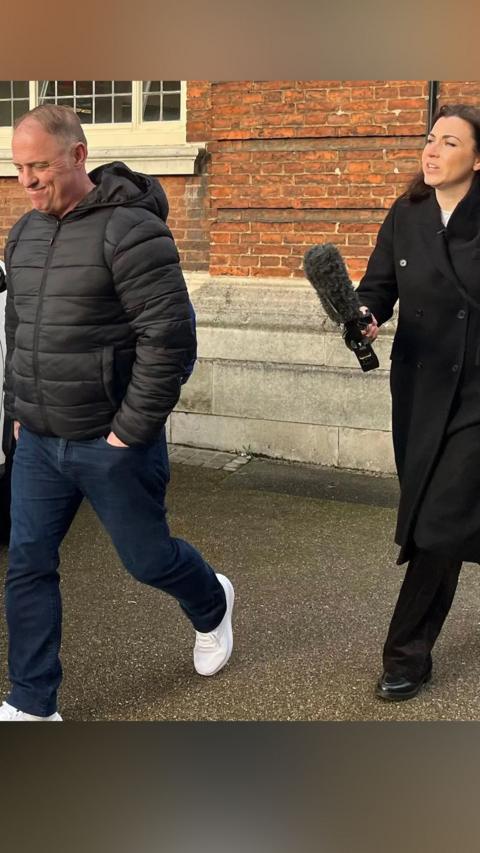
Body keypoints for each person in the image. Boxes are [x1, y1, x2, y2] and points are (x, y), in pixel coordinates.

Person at [0, 105, 234, 721]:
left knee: (147, 560)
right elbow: (19, 328)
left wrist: (128, 433)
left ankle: (212, 603)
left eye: (39, 166)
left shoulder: (132, 230)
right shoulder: (22, 235)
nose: (27, 181)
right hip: (39, 441)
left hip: (109, 442)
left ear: (78, 157)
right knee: (27, 564)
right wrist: (17, 409)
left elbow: (170, 339)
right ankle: (32, 703)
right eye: (18, 167)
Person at [357, 103, 480, 701]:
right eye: (430, 139)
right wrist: (366, 316)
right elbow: (378, 285)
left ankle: (407, 653)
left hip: (479, 389)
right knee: (448, 510)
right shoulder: (406, 214)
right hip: (422, 389)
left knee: (436, 519)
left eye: (449, 142)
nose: (432, 151)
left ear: (476, 159)